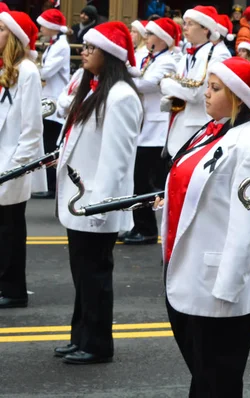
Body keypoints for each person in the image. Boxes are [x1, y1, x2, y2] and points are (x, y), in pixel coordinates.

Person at [158, 56, 250, 397]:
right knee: (204, 374)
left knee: (216, 379)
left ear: (238, 97)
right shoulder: (209, 131)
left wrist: (228, 288)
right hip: (189, 270)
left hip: (220, 283)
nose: (205, 94)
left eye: (214, 88)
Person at [53, 21, 143, 363]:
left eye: (92, 48)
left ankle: (97, 344)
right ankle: (80, 337)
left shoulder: (120, 96)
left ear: (111, 54)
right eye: (85, 46)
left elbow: (116, 160)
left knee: (95, 277)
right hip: (80, 200)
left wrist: (99, 207)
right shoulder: (93, 88)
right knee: (83, 276)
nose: (85, 52)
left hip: (95, 203)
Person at [0, 11, 45, 309]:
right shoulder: (4, 68)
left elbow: (32, 128)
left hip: (11, 163)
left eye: (1, 28)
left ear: (13, 35)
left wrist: (15, 167)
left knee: (10, 230)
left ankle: (14, 289)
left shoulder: (27, 71)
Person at [122, 18, 178, 245]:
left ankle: (147, 229)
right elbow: (139, 74)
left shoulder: (167, 61)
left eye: (151, 35)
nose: (146, 38)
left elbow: (147, 83)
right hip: (144, 127)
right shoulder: (150, 57)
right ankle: (140, 225)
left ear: (163, 39)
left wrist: (121, 75)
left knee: (143, 181)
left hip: (155, 130)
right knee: (139, 181)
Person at [161, 6, 229, 157]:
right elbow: (182, 86)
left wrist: (166, 85)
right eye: (184, 23)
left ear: (205, 29)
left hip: (197, 126)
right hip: (178, 124)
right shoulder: (187, 55)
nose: (185, 28)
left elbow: (197, 93)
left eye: (190, 24)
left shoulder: (217, 55)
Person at [33, 9, 70, 200]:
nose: (40, 28)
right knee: (47, 142)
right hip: (49, 98)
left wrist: (34, 68)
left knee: (51, 144)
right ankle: (49, 184)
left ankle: (52, 186)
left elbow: (46, 72)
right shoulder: (53, 45)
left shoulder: (61, 46)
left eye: (43, 25)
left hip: (55, 100)